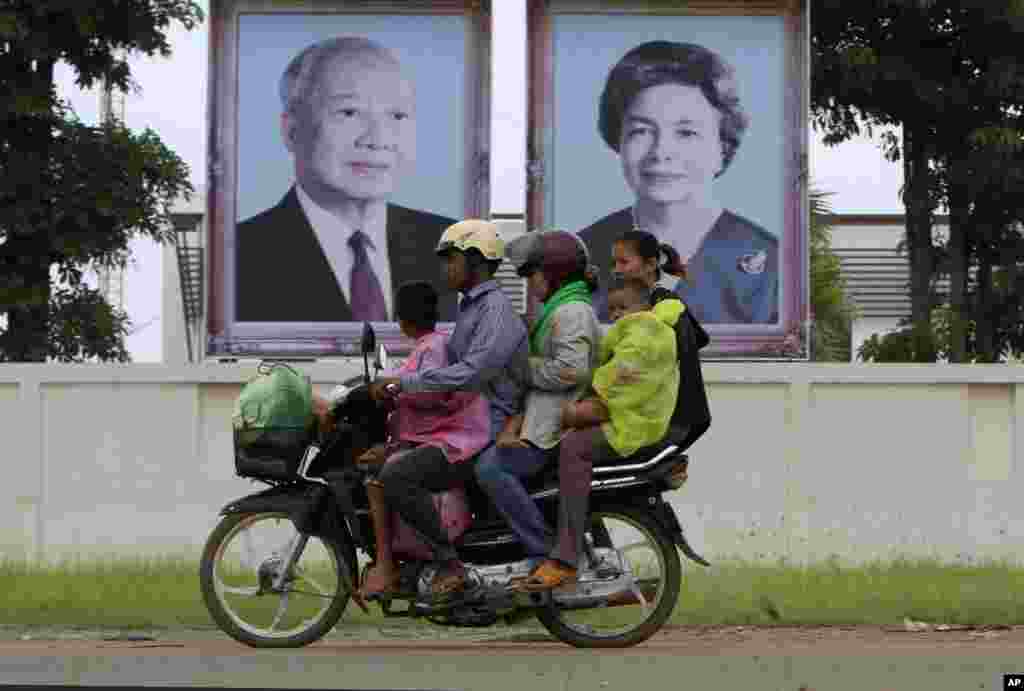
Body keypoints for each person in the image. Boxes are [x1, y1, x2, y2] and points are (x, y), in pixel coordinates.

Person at [236, 36, 459, 323]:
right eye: (349, 112)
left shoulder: (450, 246)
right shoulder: (237, 257)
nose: (378, 139)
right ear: (292, 130)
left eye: (397, 116)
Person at [368, 219, 530, 599]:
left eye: (450, 259)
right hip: (466, 422)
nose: (445, 269)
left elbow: (472, 373)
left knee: (398, 476)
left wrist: (402, 384)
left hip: (485, 427)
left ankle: (448, 562)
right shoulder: (471, 308)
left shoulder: (494, 311)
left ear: (475, 261)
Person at [578, 40, 779, 325]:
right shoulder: (584, 252)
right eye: (641, 131)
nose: (661, 152)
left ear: (722, 146)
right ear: (618, 140)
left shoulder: (771, 264)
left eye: (686, 133)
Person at [517, 276, 683, 591]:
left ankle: (566, 557)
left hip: (635, 424)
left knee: (574, 447)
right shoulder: (642, 329)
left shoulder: (647, 332)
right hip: (631, 417)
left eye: (624, 307)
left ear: (645, 307)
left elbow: (623, 378)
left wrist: (583, 406)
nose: (618, 315)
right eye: (613, 310)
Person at [353, 281, 491, 599]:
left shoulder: (435, 348)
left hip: (457, 443)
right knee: (377, 471)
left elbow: (431, 392)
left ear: (401, 319)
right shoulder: (427, 347)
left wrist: (393, 386)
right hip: (441, 440)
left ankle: (448, 561)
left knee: (396, 474)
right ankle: (391, 565)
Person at [473, 230, 602, 564]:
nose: (530, 283)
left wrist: (521, 368)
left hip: (551, 426)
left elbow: (570, 370)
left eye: (533, 274)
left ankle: (541, 549)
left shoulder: (571, 311)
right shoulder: (562, 308)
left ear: (554, 272)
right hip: (541, 418)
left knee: (490, 469)